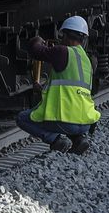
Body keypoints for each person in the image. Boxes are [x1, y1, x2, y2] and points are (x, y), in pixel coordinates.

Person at [16, 16, 101, 155]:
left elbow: (35, 50)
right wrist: (42, 89)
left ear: (66, 35)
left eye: (62, 36)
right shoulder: (88, 60)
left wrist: (38, 39)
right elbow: (71, 90)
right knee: (71, 116)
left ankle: (55, 140)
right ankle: (78, 140)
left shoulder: (62, 51)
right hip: (85, 122)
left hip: (66, 121)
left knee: (22, 118)